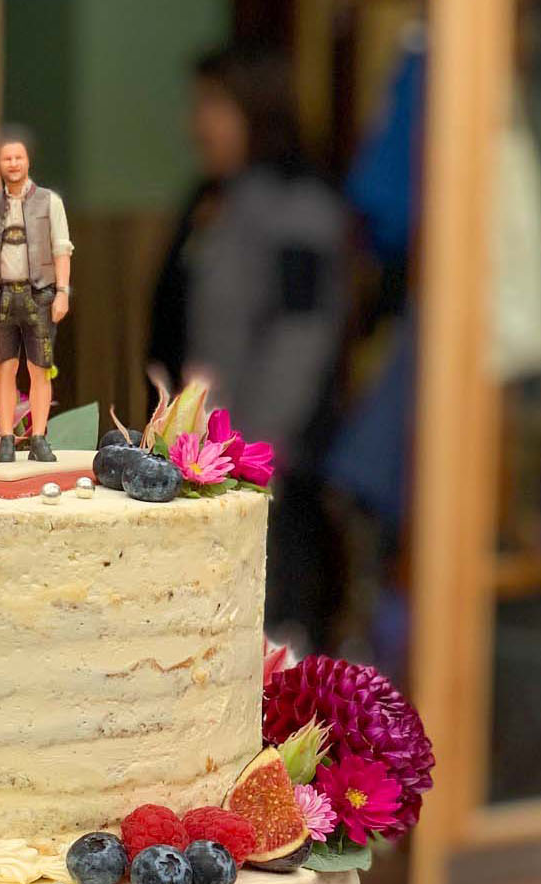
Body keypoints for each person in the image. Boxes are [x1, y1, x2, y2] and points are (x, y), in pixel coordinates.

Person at [149, 44, 351, 641]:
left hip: (261, 466)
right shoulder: (212, 197)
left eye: (214, 105)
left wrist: (253, 453)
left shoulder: (299, 205)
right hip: (203, 457)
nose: (198, 123)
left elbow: (302, 336)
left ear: (256, 109)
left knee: (267, 630)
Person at [0, 132, 72, 463]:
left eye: (18, 157)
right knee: (4, 370)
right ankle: (7, 437)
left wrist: (62, 292)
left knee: (40, 369)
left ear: (28, 160)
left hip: (40, 295)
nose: (13, 164)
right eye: (7, 159)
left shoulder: (50, 201)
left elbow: (62, 248)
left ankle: (38, 438)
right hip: (3, 297)